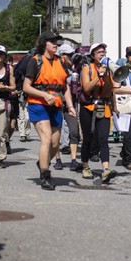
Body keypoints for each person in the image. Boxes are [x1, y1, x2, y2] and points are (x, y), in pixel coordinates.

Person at [23, 31, 75, 190]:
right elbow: (26, 87)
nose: (55, 44)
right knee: (46, 138)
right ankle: (45, 175)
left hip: (56, 105)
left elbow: (65, 87)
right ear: (43, 43)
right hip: (38, 104)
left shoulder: (61, 62)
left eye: (57, 42)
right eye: (52, 41)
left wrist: (71, 106)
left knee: (55, 143)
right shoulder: (35, 61)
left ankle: (42, 161)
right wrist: (44, 95)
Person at [79, 43, 118, 183]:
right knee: (88, 139)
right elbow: (87, 88)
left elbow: (112, 89)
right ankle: (85, 166)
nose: (102, 54)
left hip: (104, 106)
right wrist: (98, 76)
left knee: (103, 139)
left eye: (104, 52)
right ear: (93, 55)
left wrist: (115, 106)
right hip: (88, 106)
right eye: (99, 52)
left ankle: (106, 169)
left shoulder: (109, 69)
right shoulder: (87, 68)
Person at [58, 43, 81, 171]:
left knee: (74, 131)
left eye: (72, 54)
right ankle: (57, 159)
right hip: (56, 103)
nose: (72, 57)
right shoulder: (56, 68)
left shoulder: (74, 69)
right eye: (69, 55)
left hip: (70, 104)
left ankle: (73, 160)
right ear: (62, 55)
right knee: (56, 133)